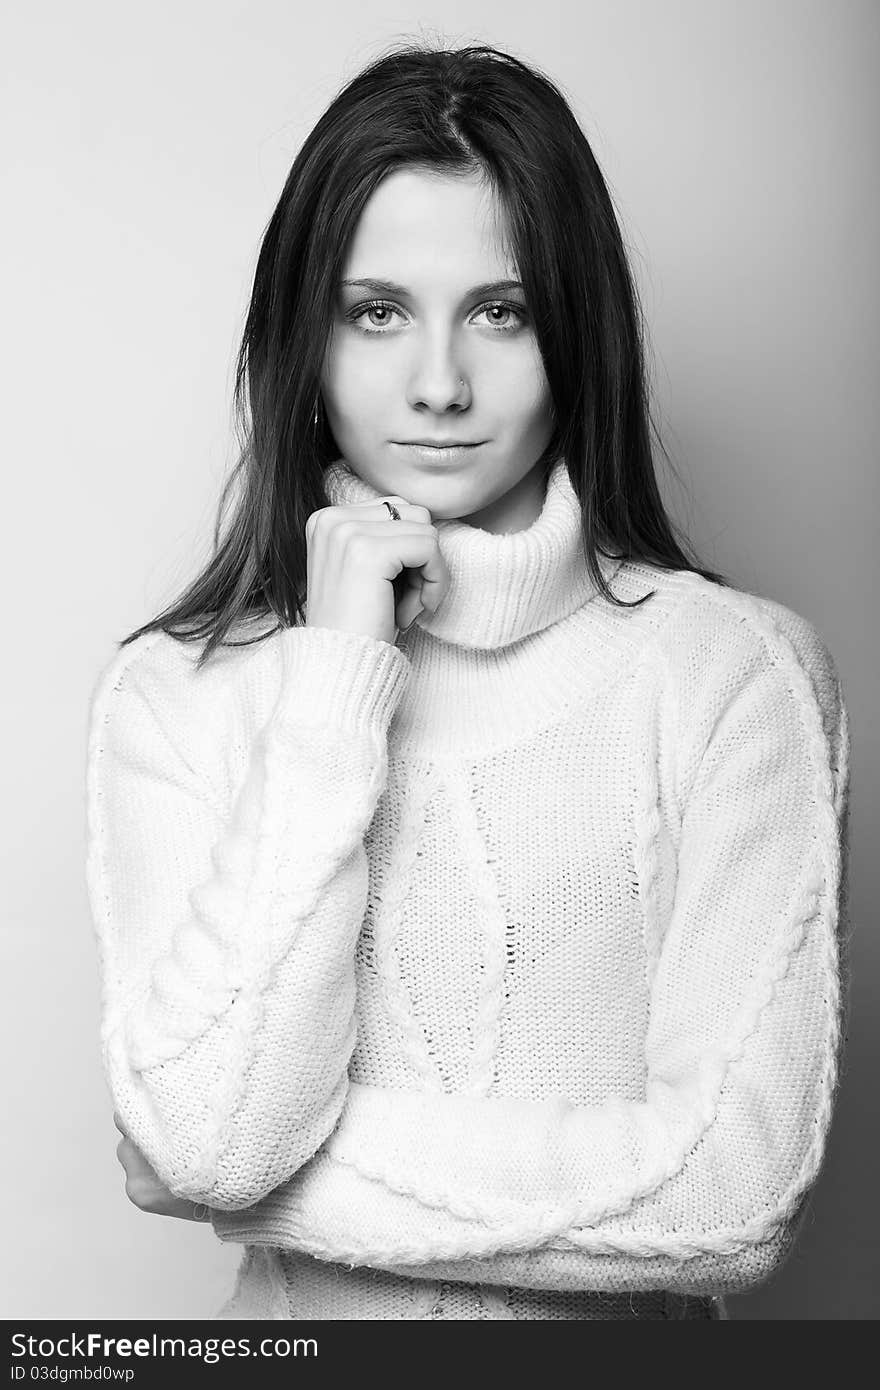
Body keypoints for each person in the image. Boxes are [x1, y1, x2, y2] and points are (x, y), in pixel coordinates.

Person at [85, 42, 851, 1321]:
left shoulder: (733, 677)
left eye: (500, 311)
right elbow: (211, 1136)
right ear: (303, 338)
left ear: (576, 326)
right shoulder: (179, 694)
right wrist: (334, 681)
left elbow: (731, 1195)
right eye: (376, 311)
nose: (438, 384)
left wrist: (255, 1180)